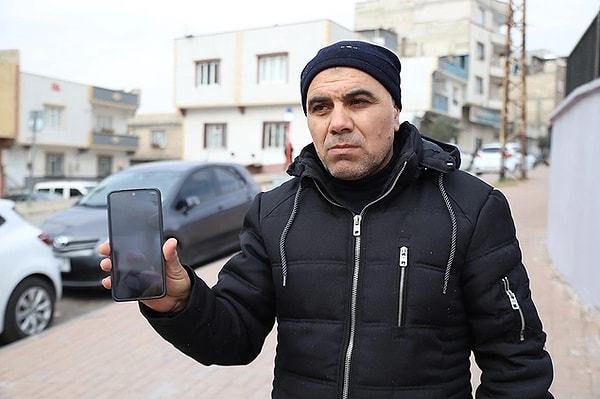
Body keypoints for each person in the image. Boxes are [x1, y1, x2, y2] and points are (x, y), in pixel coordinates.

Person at [100, 40, 554, 398]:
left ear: (395, 112)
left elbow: (516, 360)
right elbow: (233, 338)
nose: (337, 122)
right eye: (321, 107)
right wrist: (179, 302)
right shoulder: (275, 213)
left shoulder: (470, 209)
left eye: (358, 102)